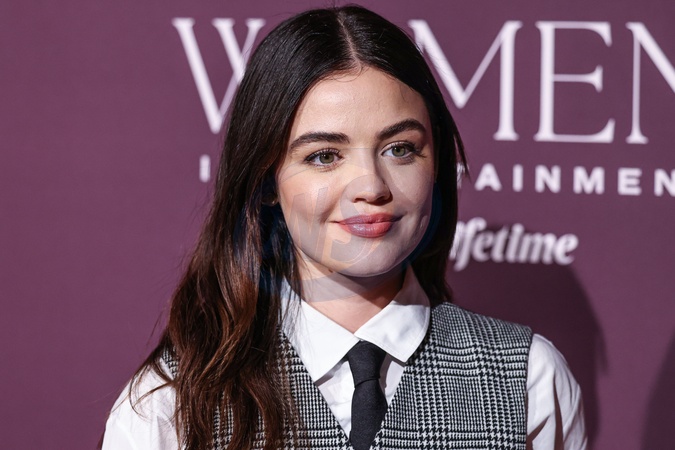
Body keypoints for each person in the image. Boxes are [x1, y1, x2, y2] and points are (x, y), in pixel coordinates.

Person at [102, 5, 586, 450]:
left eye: (400, 149)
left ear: (436, 161)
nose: (371, 186)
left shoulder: (529, 380)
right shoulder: (168, 405)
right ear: (267, 179)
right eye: (324, 156)